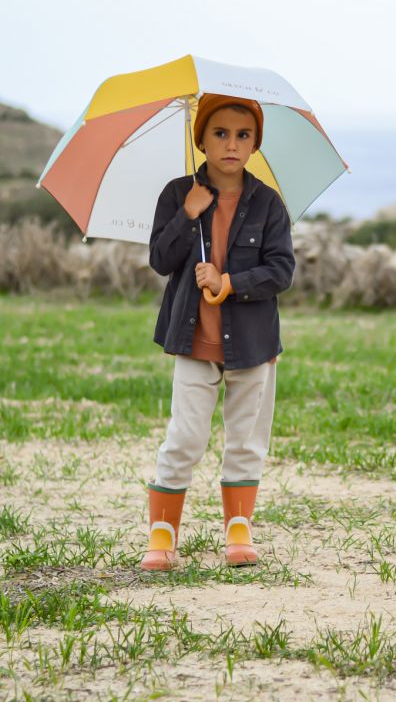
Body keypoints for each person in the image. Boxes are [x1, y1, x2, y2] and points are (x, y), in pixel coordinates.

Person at [141, 93, 295, 571]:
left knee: (247, 438)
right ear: (201, 139)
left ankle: (238, 530)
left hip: (253, 344)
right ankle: (163, 535)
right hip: (194, 342)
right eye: (220, 134)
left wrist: (229, 283)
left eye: (243, 135)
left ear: (254, 145)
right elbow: (160, 261)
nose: (232, 144)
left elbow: (281, 271)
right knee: (185, 436)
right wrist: (188, 215)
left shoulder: (269, 203)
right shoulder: (176, 194)